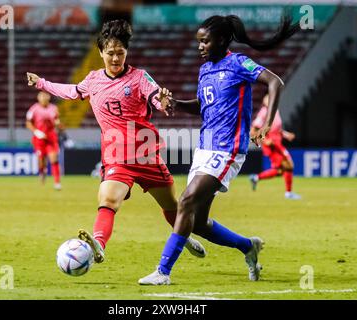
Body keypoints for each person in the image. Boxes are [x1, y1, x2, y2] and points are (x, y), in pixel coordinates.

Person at [26, 20, 206, 264]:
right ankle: (98, 245)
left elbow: (156, 97)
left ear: (126, 52)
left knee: (172, 206)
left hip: (145, 153)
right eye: (110, 53)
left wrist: (164, 103)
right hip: (116, 156)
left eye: (120, 52)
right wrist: (41, 83)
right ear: (100, 52)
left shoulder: (140, 78)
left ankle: (182, 236)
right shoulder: (92, 80)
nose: (115, 58)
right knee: (108, 200)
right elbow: (70, 91)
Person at [139, 14, 299, 285]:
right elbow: (204, 107)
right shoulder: (205, 71)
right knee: (198, 222)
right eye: (198, 42)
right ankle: (248, 246)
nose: (200, 47)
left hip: (227, 150)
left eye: (205, 41)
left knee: (186, 202)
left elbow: (275, 82)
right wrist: (176, 103)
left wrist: (267, 125)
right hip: (204, 149)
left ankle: (163, 272)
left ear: (222, 40)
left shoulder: (237, 63)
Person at [249, 94, 301, 200]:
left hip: (277, 141)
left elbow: (277, 128)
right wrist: (264, 141)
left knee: (280, 170)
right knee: (288, 165)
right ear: (265, 101)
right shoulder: (264, 112)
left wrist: (286, 134)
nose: (273, 100)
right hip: (272, 144)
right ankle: (288, 193)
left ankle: (256, 178)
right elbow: (253, 131)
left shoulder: (275, 111)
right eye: (270, 99)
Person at [26, 91, 63, 190]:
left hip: (51, 137)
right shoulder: (34, 109)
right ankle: (42, 171)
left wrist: (58, 124)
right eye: (41, 97)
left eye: (45, 97)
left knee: (54, 159)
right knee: (41, 160)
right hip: (39, 138)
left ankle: (57, 182)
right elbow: (28, 123)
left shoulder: (53, 108)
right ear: (38, 98)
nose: (43, 99)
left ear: (48, 98)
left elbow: (57, 121)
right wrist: (36, 132)